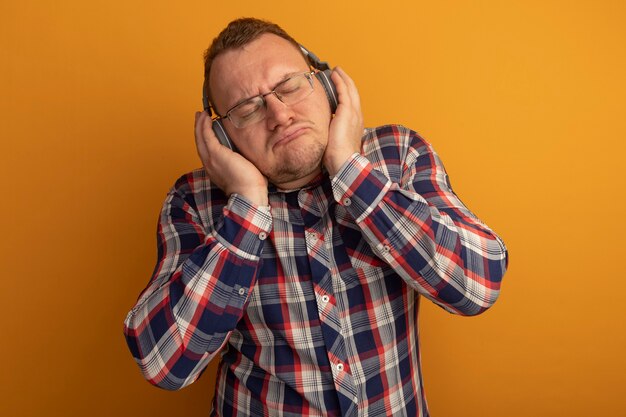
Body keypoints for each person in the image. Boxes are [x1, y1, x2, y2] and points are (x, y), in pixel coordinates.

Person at [123, 17, 508, 417]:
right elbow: (162, 363)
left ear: (326, 86)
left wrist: (349, 168)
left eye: (289, 86)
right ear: (222, 137)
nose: (279, 115)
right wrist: (247, 209)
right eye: (247, 109)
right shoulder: (195, 201)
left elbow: (477, 284)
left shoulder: (398, 155)